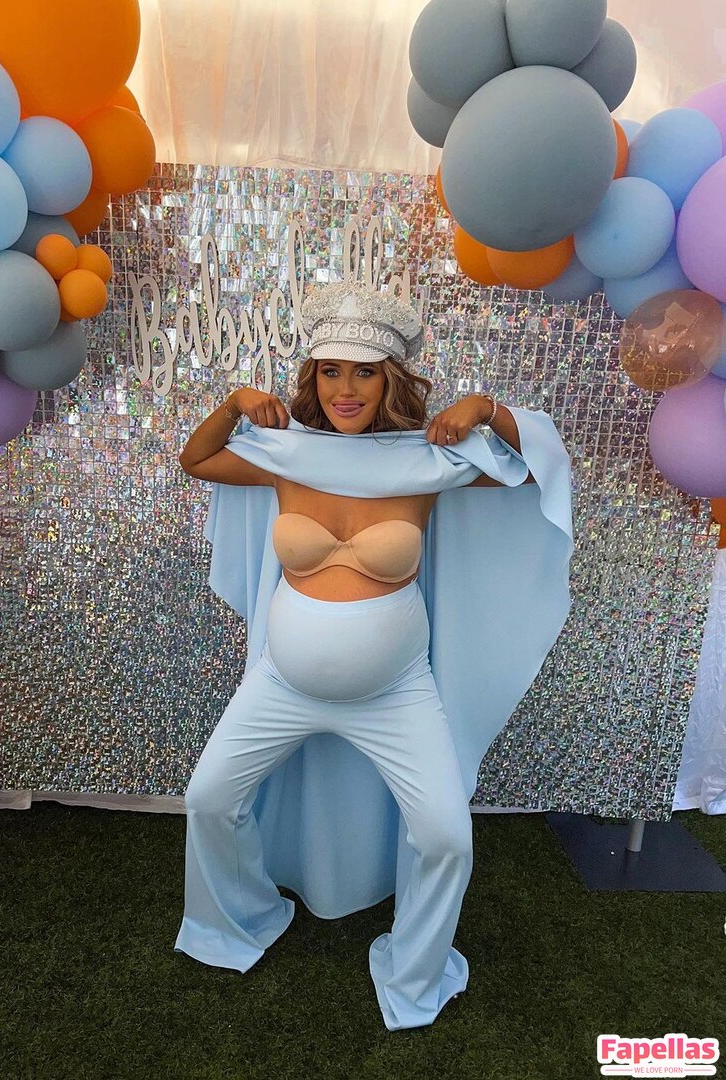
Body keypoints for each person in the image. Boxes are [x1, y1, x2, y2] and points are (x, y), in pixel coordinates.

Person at [173, 280, 573, 1031]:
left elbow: (533, 469)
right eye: (331, 371)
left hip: (396, 692)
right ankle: (239, 919)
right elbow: (198, 460)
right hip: (282, 683)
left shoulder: (427, 462)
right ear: (313, 377)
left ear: (391, 380)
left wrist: (485, 408)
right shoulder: (286, 455)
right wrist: (233, 404)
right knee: (209, 799)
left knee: (446, 837)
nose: (346, 389)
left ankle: (414, 970)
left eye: (364, 372)